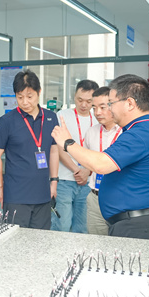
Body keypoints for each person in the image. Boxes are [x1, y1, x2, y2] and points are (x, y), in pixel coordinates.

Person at [51, 74, 149, 241]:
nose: (109, 110)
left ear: (130, 103)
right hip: (142, 223)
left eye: (111, 103)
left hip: (139, 227)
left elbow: (101, 164)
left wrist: (67, 143)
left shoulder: (140, 134)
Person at [0, 70, 58, 229]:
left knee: (41, 239)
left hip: (42, 194)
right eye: (20, 97)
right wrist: (0, 187)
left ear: (39, 92)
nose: (25, 102)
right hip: (16, 195)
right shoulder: (7, 121)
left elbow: (54, 151)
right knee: (15, 239)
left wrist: (54, 181)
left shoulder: (50, 118)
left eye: (29, 96)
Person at [53, 79, 98, 232]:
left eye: (89, 101)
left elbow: (100, 150)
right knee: (62, 225)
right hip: (64, 179)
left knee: (83, 227)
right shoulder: (62, 116)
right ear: (74, 96)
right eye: (80, 100)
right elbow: (58, 147)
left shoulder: (98, 119)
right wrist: (76, 170)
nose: (83, 104)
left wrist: (88, 171)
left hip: (89, 182)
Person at [82, 87, 121, 235]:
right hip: (95, 198)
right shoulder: (91, 132)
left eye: (103, 107)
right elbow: (87, 161)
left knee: (119, 242)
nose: (97, 112)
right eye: (94, 108)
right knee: (96, 243)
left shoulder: (126, 132)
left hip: (118, 199)